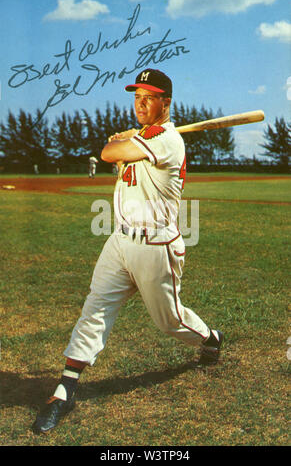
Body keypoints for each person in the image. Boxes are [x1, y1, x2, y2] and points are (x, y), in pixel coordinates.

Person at [32, 68, 224, 434]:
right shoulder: (146, 137)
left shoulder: (168, 141)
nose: (140, 103)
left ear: (166, 103)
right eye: (137, 96)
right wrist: (128, 144)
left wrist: (124, 143)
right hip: (119, 239)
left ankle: (210, 339)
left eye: (149, 97)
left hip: (156, 245)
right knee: (95, 308)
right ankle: (65, 388)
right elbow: (120, 162)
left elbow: (107, 153)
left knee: (169, 321)